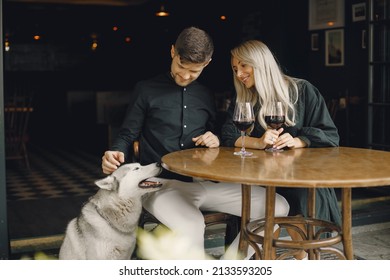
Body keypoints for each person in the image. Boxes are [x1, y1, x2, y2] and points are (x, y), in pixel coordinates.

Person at [101, 27, 290, 259]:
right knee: (192, 225)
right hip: (159, 185)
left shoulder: (205, 94)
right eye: (181, 67)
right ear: (173, 52)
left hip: (205, 183)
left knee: (278, 207)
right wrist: (114, 152)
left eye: (194, 71)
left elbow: (216, 134)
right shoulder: (146, 90)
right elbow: (127, 134)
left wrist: (215, 138)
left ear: (207, 63)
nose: (185, 76)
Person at [221, 39, 342, 260]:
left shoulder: (302, 90)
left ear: (261, 63)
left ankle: (302, 257)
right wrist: (258, 142)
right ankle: (267, 259)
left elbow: (330, 135)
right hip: (261, 177)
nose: (239, 74)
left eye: (243, 66)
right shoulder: (246, 98)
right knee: (266, 200)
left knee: (303, 194)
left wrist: (300, 140)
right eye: (235, 68)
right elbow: (228, 135)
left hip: (299, 176)